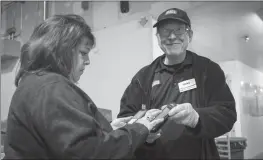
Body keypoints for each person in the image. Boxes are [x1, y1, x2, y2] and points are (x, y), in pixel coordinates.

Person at [3, 14, 164, 159]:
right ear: (61, 50)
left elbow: (64, 138)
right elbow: (91, 152)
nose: (88, 61)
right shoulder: (52, 87)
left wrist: (106, 129)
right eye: (83, 52)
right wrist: (140, 129)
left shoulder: (35, 83)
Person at [117, 8, 237, 159]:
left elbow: (227, 114)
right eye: (165, 31)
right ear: (158, 37)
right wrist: (142, 130)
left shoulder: (207, 70)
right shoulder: (143, 77)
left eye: (179, 30)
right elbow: (127, 117)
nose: (172, 36)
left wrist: (197, 117)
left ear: (190, 35)